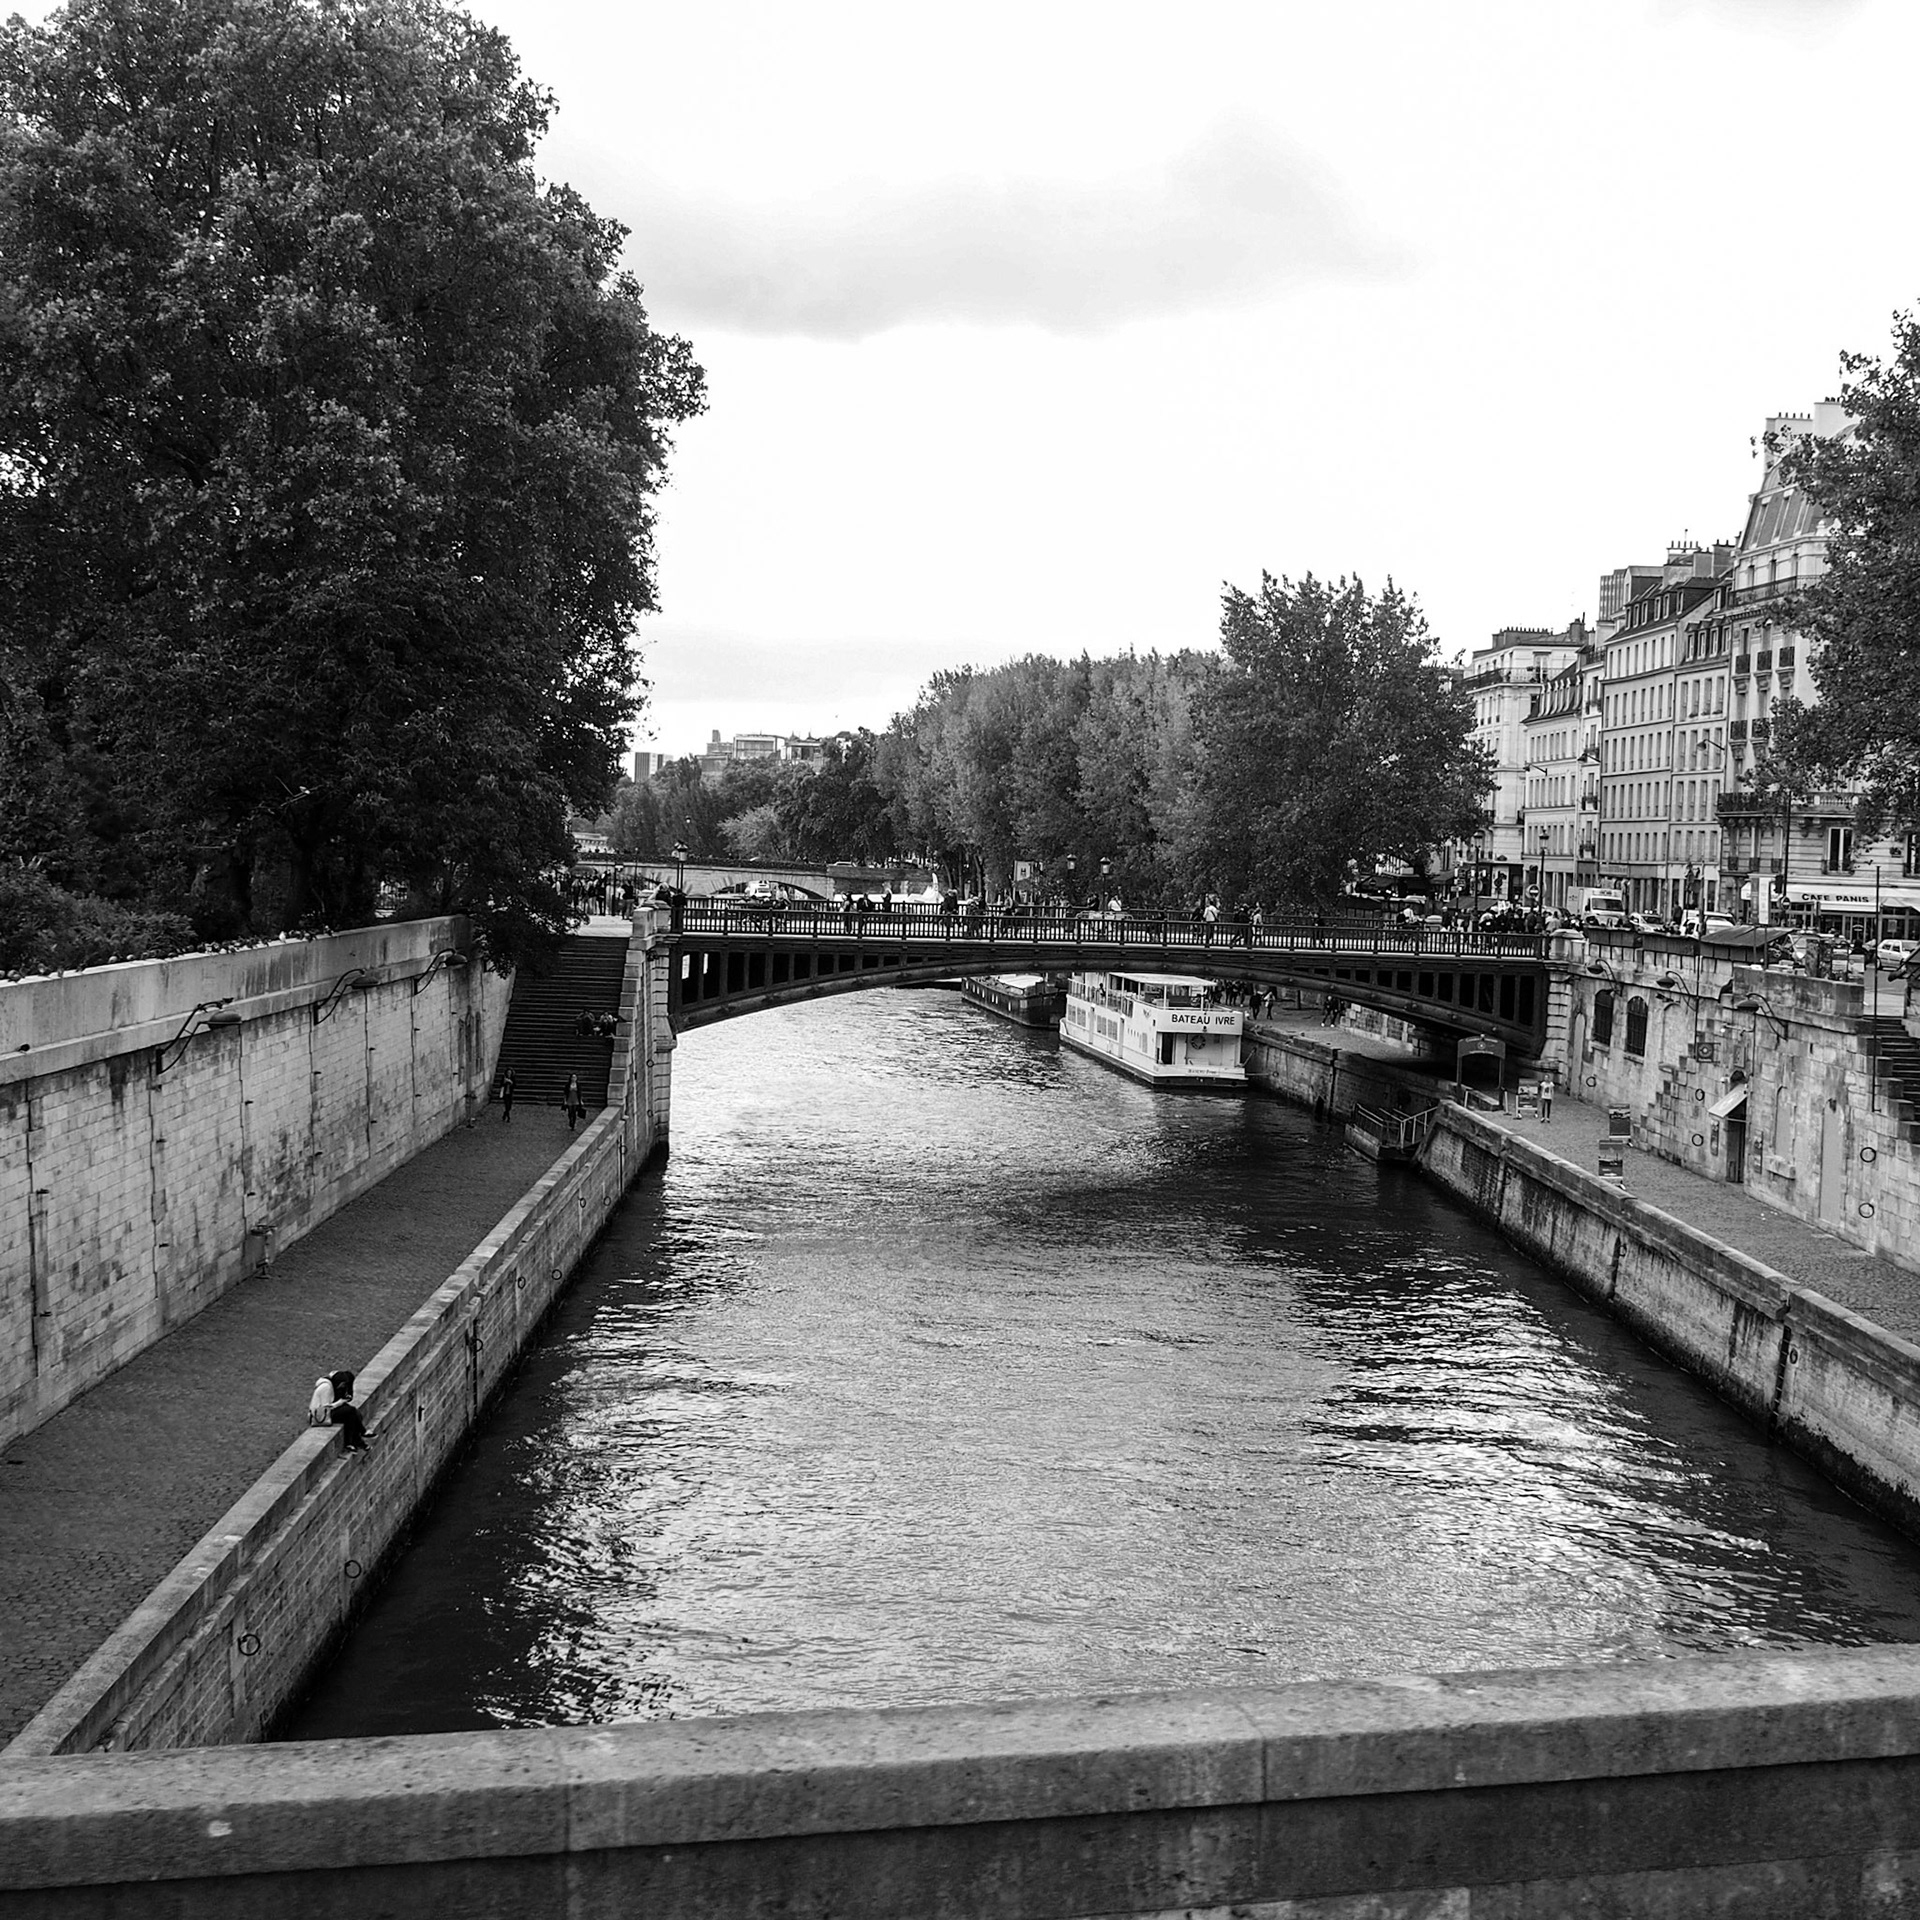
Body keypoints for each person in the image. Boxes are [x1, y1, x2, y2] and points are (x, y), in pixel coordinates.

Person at [327, 1368, 372, 1452]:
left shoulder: (344, 1381)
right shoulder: (329, 1385)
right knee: (352, 1412)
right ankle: (360, 1436)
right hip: (329, 1412)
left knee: (353, 1415)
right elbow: (329, 1405)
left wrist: (345, 1399)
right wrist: (340, 1402)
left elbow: (348, 1395)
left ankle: (354, 1442)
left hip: (338, 1407)